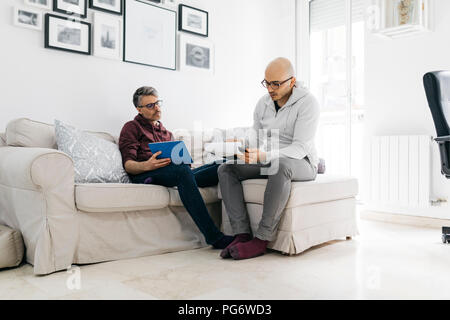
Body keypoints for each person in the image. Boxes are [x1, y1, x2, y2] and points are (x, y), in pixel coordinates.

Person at [218, 57, 320, 260]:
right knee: (226, 169)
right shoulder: (263, 103)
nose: (270, 89)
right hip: (270, 157)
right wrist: (242, 150)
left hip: (301, 161)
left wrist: (265, 155)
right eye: (266, 82)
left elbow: (299, 148)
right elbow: (255, 135)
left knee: (278, 165)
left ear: (292, 81)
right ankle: (242, 234)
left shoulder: (308, 103)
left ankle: (262, 239)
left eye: (276, 84)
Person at [119, 86, 235, 249]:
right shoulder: (131, 127)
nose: (157, 108)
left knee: (223, 164)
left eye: (157, 103)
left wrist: (185, 162)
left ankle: (241, 232)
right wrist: (147, 165)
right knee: (182, 171)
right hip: (145, 175)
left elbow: (182, 165)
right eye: (150, 105)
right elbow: (129, 165)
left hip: (174, 173)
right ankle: (214, 237)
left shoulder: (166, 132)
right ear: (139, 109)